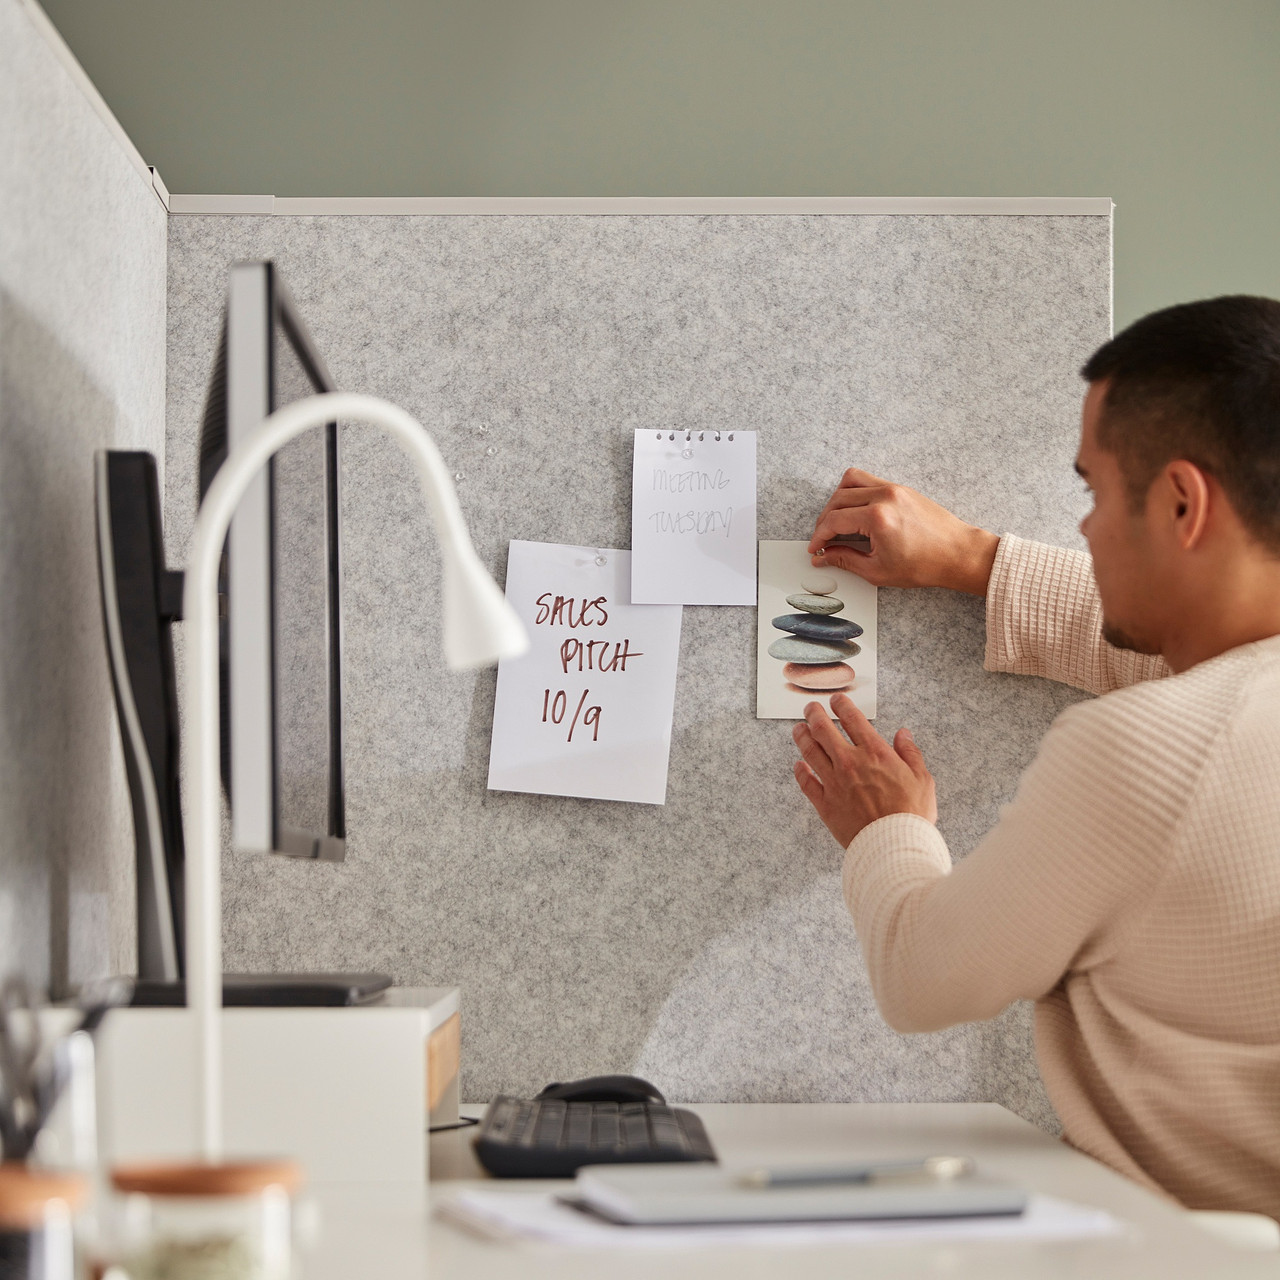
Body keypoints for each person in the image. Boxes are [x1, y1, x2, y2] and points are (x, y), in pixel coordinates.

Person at [793, 295, 1280, 1218]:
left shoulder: (1138, 754)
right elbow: (1215, 681)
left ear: (1182, 502)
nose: (1086, 529)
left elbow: (922, 974)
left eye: (1093, 493)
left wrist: (889, 831)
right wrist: (978, 560)